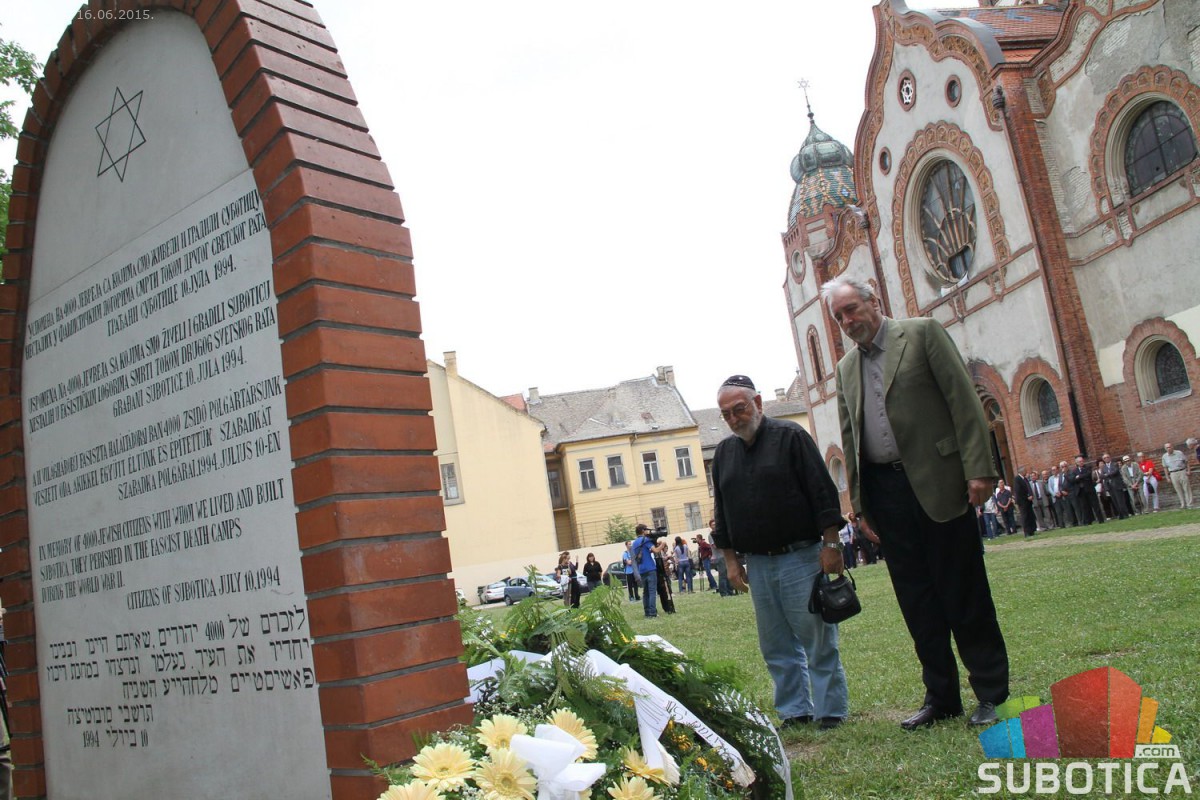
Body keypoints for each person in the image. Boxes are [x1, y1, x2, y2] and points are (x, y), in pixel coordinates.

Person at [823, 275, 1009, 730]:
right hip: (886, 494)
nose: (847, 321)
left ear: (873, 300)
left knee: (964, 591)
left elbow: (963, 400)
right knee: (917, 601)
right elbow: (850, 436)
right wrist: (861, 505)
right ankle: (941, 698)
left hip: (940, 481)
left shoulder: (922, 333)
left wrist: (978, 468)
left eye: (851, 309)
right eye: (839, 316)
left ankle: (991, 693)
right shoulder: (846, 368)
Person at [711, 374, 849, 730]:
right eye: (726, 414)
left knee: (817, 638)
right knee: (775, 644)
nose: (733, 419)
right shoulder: (724, 453)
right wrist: (731, 561)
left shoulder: (791, 437)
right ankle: (794, 710)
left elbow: (823, 493)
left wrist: (831, 545)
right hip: (758, 563)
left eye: (739, 409)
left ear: (757, 403)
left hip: (801, 556)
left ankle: (830, 710)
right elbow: (722, 512)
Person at [631, 525, 658, 617]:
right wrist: (662, 544)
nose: (647, 531)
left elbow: (641, 553)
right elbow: (656, 550)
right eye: (646, 529)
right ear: (643, 531)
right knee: (652, 592)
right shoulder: (646, 540)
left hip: (641, 569)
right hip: (650, 568)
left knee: (645, 592)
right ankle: (653, 612)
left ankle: (647, 612)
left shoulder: (634, 543)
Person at [1162, 443, 1193, 509]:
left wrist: (1188, 471)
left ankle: (1189, 504)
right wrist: (1167, 477)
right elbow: (1165, 468)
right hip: (1173, 473)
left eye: (1170, 447)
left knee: (1186, 488)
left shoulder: (1179, 453)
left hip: (1182, 471)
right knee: (1178, 489)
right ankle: (1182, 504)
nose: (1169, 448)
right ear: (1165, 449)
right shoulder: (1164, 456)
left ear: (1172, 447)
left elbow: (1186, 462)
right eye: (1167, 447)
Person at [1100, 454, 1130, 519]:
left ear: (1110, 458)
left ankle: (1125, 514)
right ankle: (1120, 514)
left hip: (1117, 485)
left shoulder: (1115, 464)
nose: (1106, 459)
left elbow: (1115, 472)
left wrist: (1107, 474)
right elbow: (1101, 476)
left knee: (1120, 500)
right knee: (1115, 501)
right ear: (1103, 460)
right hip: (1109, 486)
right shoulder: (1103, 467)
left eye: (1107, 457)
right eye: (1105, 458)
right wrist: (1107, 475)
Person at [653, 537, 677, 614]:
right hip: (660, 570)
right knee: (664, 587)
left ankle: (668, 606)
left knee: (666, 585)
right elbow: (661, 558)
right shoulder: (657, 551)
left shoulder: (660, 552)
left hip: (663, 570)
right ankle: (667, 606)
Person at [1012, 469, 1037, 537]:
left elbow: (1029, 488)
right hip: (1022, 501)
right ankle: (1027, 532)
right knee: (1025, 516)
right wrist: (1026, 497)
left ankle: (1031, 530)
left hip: (1028, 501)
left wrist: (1031, 495)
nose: (1026, 472)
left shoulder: (1025, 479)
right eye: (1025, 471)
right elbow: (1018, 491)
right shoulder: (1017, 479)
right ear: (1022, 471)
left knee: (1030, 515)